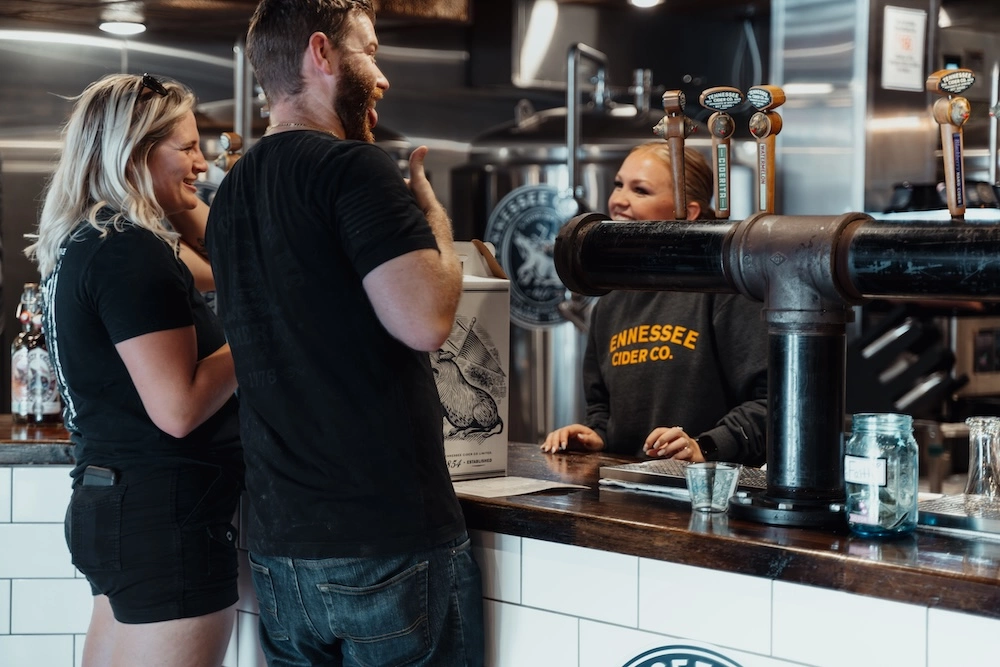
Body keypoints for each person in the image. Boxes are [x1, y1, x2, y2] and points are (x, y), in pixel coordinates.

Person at [205, 1, 484, 665]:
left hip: (280, 554)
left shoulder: (231, 192)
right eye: (371, 51)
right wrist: (434, 218)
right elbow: (426, 320)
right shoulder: (353, 169)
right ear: (323, 55)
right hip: (382, 544)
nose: (382, 76)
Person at [25, 73, 243, 667]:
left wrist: (190, 200)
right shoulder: (129, 250)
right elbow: (178, 409)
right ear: (137, 152)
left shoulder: (88, 238)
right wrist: (262, 335)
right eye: (188, 147)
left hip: (117, 506)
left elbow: (221, 274)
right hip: (164, 521)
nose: (202, 162)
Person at [541, 143, 768, 466]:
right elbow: (602, 408)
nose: (618, 200)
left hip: (709, 494)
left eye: (640, 190)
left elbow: (771, 403)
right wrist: (597, 435)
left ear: (686, 212)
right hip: (627, 492)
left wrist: (706, 445)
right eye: (619, 184)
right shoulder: (611, 299)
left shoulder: (726, 292)